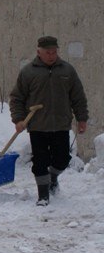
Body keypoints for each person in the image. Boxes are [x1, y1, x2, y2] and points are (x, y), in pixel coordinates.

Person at [10, 36, 88, 206]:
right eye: (48, 52)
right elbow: (17, 98)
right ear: (39, 52)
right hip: (38, 126)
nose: (52, 55)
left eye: (54, 52)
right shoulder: (28, 72)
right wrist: (18, 119)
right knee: (40, 161)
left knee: (62, 160)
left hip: (61, 124)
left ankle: (52, 178)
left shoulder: (67, 71)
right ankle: (43, 195)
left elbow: (78, 97)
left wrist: (82, 118)